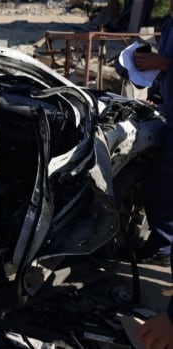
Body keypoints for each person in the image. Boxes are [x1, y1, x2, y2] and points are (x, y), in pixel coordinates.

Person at [133, 1, 173, 348]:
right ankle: (163, 246)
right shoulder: (170, 21)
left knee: (163, 191)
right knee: (161, 191)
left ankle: (163, 245)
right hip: (170, 116)